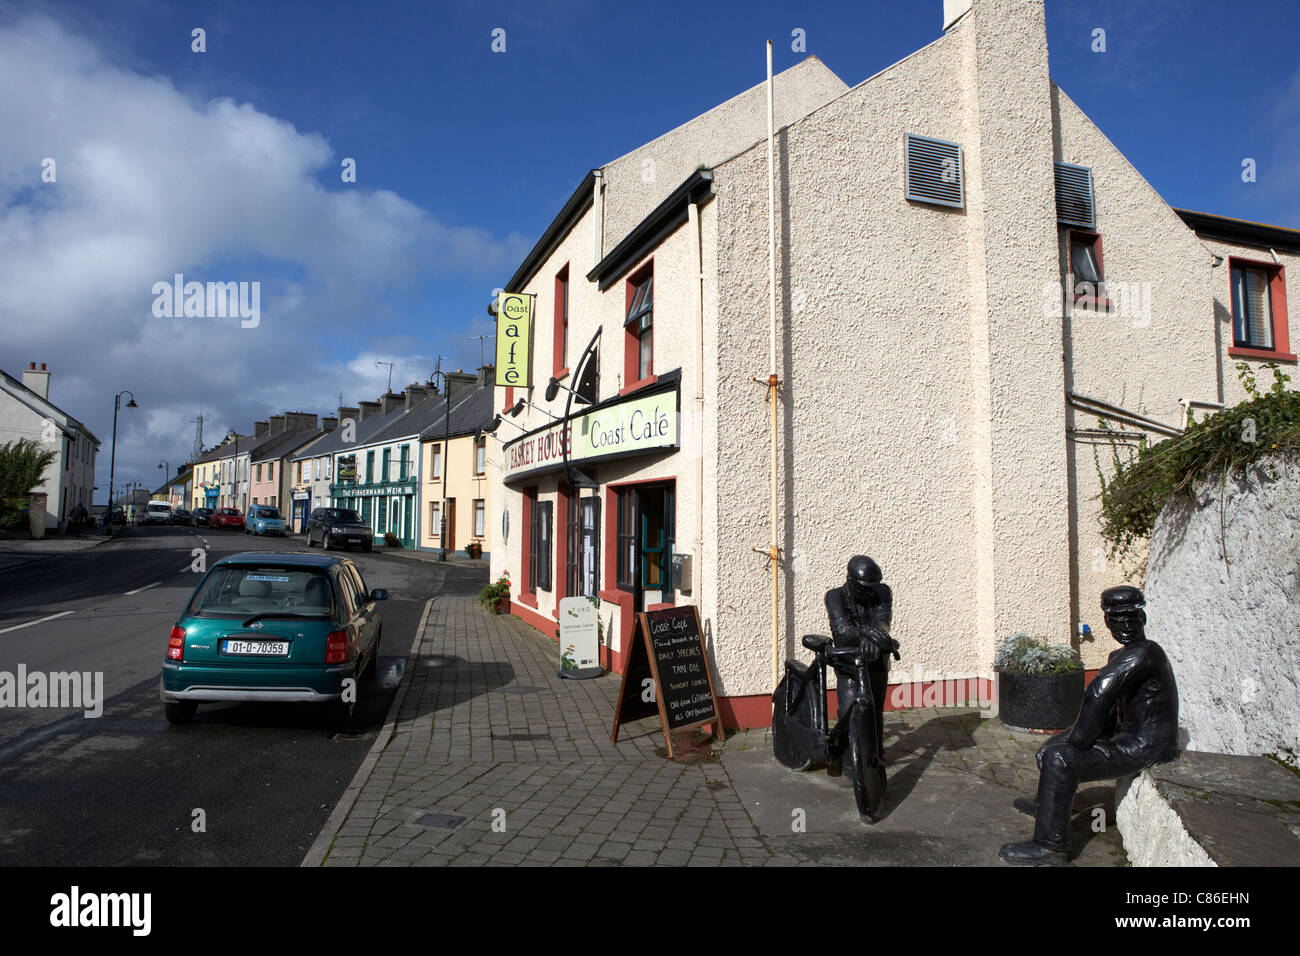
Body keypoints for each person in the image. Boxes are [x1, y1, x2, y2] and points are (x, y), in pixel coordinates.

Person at [1000, 585, 1179, 865]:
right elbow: (1107, 714)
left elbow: (1098, 693)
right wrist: (1065, 739)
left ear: (1143, 619)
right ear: (1107, 622)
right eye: (1117, 620)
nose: (1125, 626)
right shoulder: (1119, 656)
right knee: (1052, 747)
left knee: (1061, 759)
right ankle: (1044, 807)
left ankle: (1050, 847)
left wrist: (1075, 743)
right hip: (1127, 737)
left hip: (1147, 746)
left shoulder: (1146, 653)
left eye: (1131, 619)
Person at [824, 555, 898, 764]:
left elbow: (883, 623)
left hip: (876, 661)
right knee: (849, 711)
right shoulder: (834, 596)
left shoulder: (882, 591)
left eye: (874, 585)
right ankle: (847, 759)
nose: (870, 591)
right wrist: (868, 633)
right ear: (850, 581)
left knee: (875, 711)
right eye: (865, 587)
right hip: (848, 664)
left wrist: (874, 638)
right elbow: (843, 631)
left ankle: (875, 757)